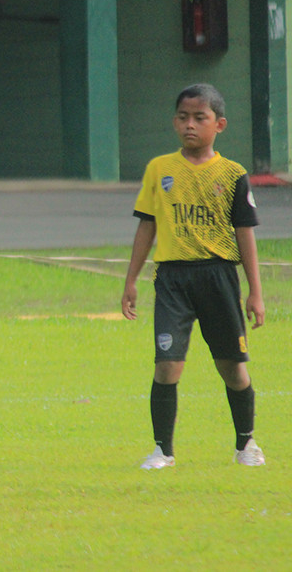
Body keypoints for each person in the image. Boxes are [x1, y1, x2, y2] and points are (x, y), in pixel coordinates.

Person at [121, 83, 265, 469]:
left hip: (218, 276)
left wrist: (255, 291)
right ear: (174, 122)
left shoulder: (233, 174)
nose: (190, 125)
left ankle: (246, 444)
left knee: (232, 368)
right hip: (172, 279)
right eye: (183, 117)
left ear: (219, 124)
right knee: (168, 364)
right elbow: (147, 227)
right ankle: (162, 451)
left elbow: (244, 233)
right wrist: (131, 280)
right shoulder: (160, 169)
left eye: (199, 118)